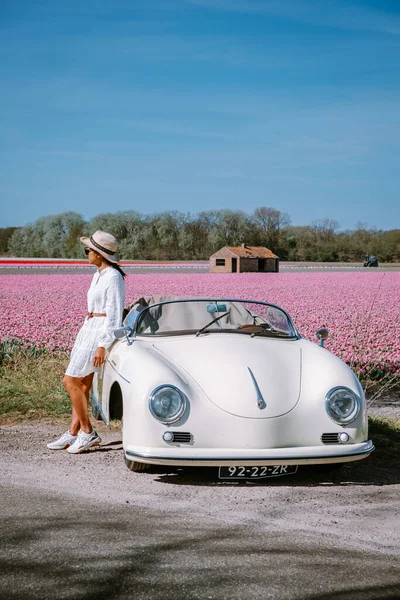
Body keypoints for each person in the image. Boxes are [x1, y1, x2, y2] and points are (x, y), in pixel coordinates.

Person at [47, 230, 126, 454]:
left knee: (69, 381)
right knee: (82, 385)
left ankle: (88, 432)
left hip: (100, 331)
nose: (87, 253)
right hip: (88, 327)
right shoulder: (97, 275)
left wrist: (103, 343)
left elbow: (114, 313)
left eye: (89, 250)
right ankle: (74, 433)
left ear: (100, 254)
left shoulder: (113, 277)